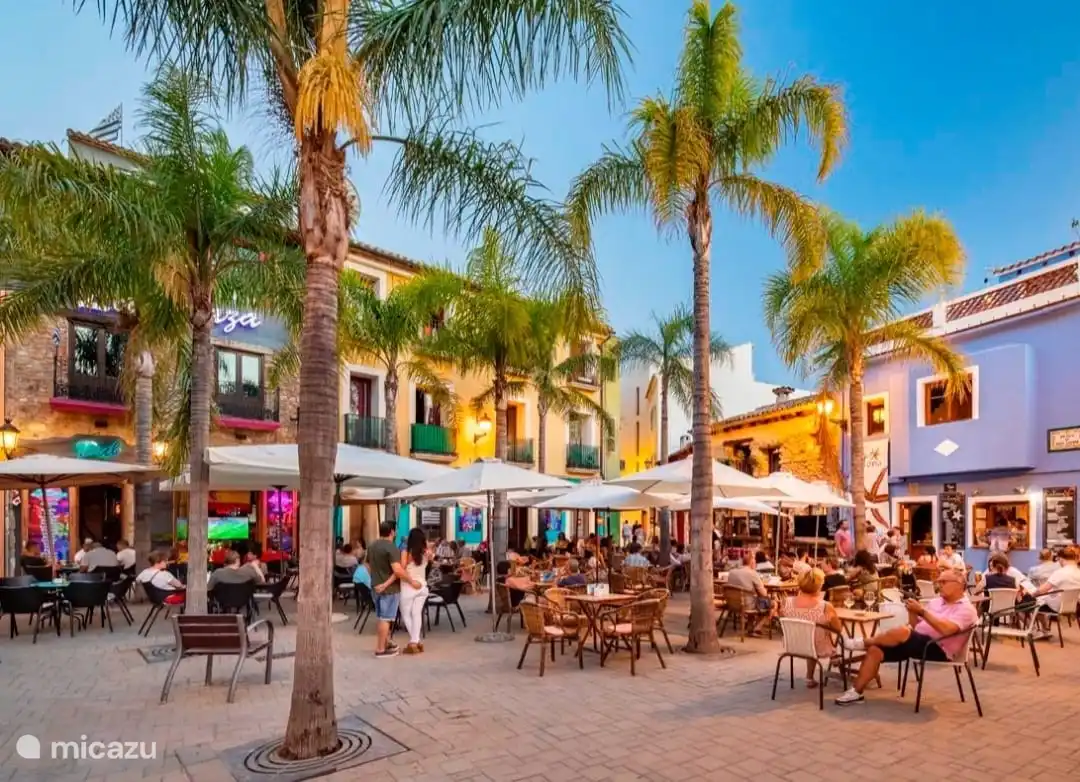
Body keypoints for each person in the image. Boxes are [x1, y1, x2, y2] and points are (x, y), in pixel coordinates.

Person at [836, 568, 978, 705]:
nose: (939, 585)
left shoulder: (966, 609)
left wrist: (922, 612)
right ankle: (856, 692)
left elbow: (947, 630)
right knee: (875, 650)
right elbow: (915, 626)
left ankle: (862, 642)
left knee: (904, 631)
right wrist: (912, 612)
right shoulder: (935, 602)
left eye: (943, 582)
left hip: (939, 650)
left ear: (959, 585)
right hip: (918, 644)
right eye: (938, 582)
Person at [781, 568, 842, 687]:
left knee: (811, 633)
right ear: (819, 586)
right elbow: (838, 629)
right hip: (817, 647)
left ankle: (810, 678)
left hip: (793, 645)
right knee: (824, 633)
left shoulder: (786, 602)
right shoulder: (825, 606)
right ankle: (835, 656)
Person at [368, 521, 406, 658]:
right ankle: (380, 649)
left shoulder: (372, 546)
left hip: (375, 587)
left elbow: (367, 564)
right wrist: (385, 584)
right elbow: (397, 570)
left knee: (380, 617)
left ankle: (386, 642)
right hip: (389, 589)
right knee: (386, 618)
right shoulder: (392, 548)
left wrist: (374, 579)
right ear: (392, 531)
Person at [399, 528, 430, 655]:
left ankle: (414, 642)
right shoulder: (426, 553)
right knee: (416, 614)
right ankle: (415, 642)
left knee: (406, 614)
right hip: (423, 586)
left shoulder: (406, 552)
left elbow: (402, 569)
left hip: (408, 586)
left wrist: (411, 581)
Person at [727, 553, 771, 636]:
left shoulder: (732, 572)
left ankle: (750, 628)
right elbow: (764, 593)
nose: (756, 563)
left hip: (732, 604)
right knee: (773, 604)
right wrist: (765, 590)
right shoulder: (752, 573)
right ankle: (757, 628)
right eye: (754, 561)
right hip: (747, 605)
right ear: (751, 562)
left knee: (753, 598)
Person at [1035, 547, 1080, 617]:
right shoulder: (1078, 572)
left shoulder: (1060, 573)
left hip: (1057, 607)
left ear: (1061, 559)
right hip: (1074, 606)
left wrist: (1033, 593)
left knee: (1032, 601)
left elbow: (1042, 590)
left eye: (1058, 559)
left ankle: (1030, 626)